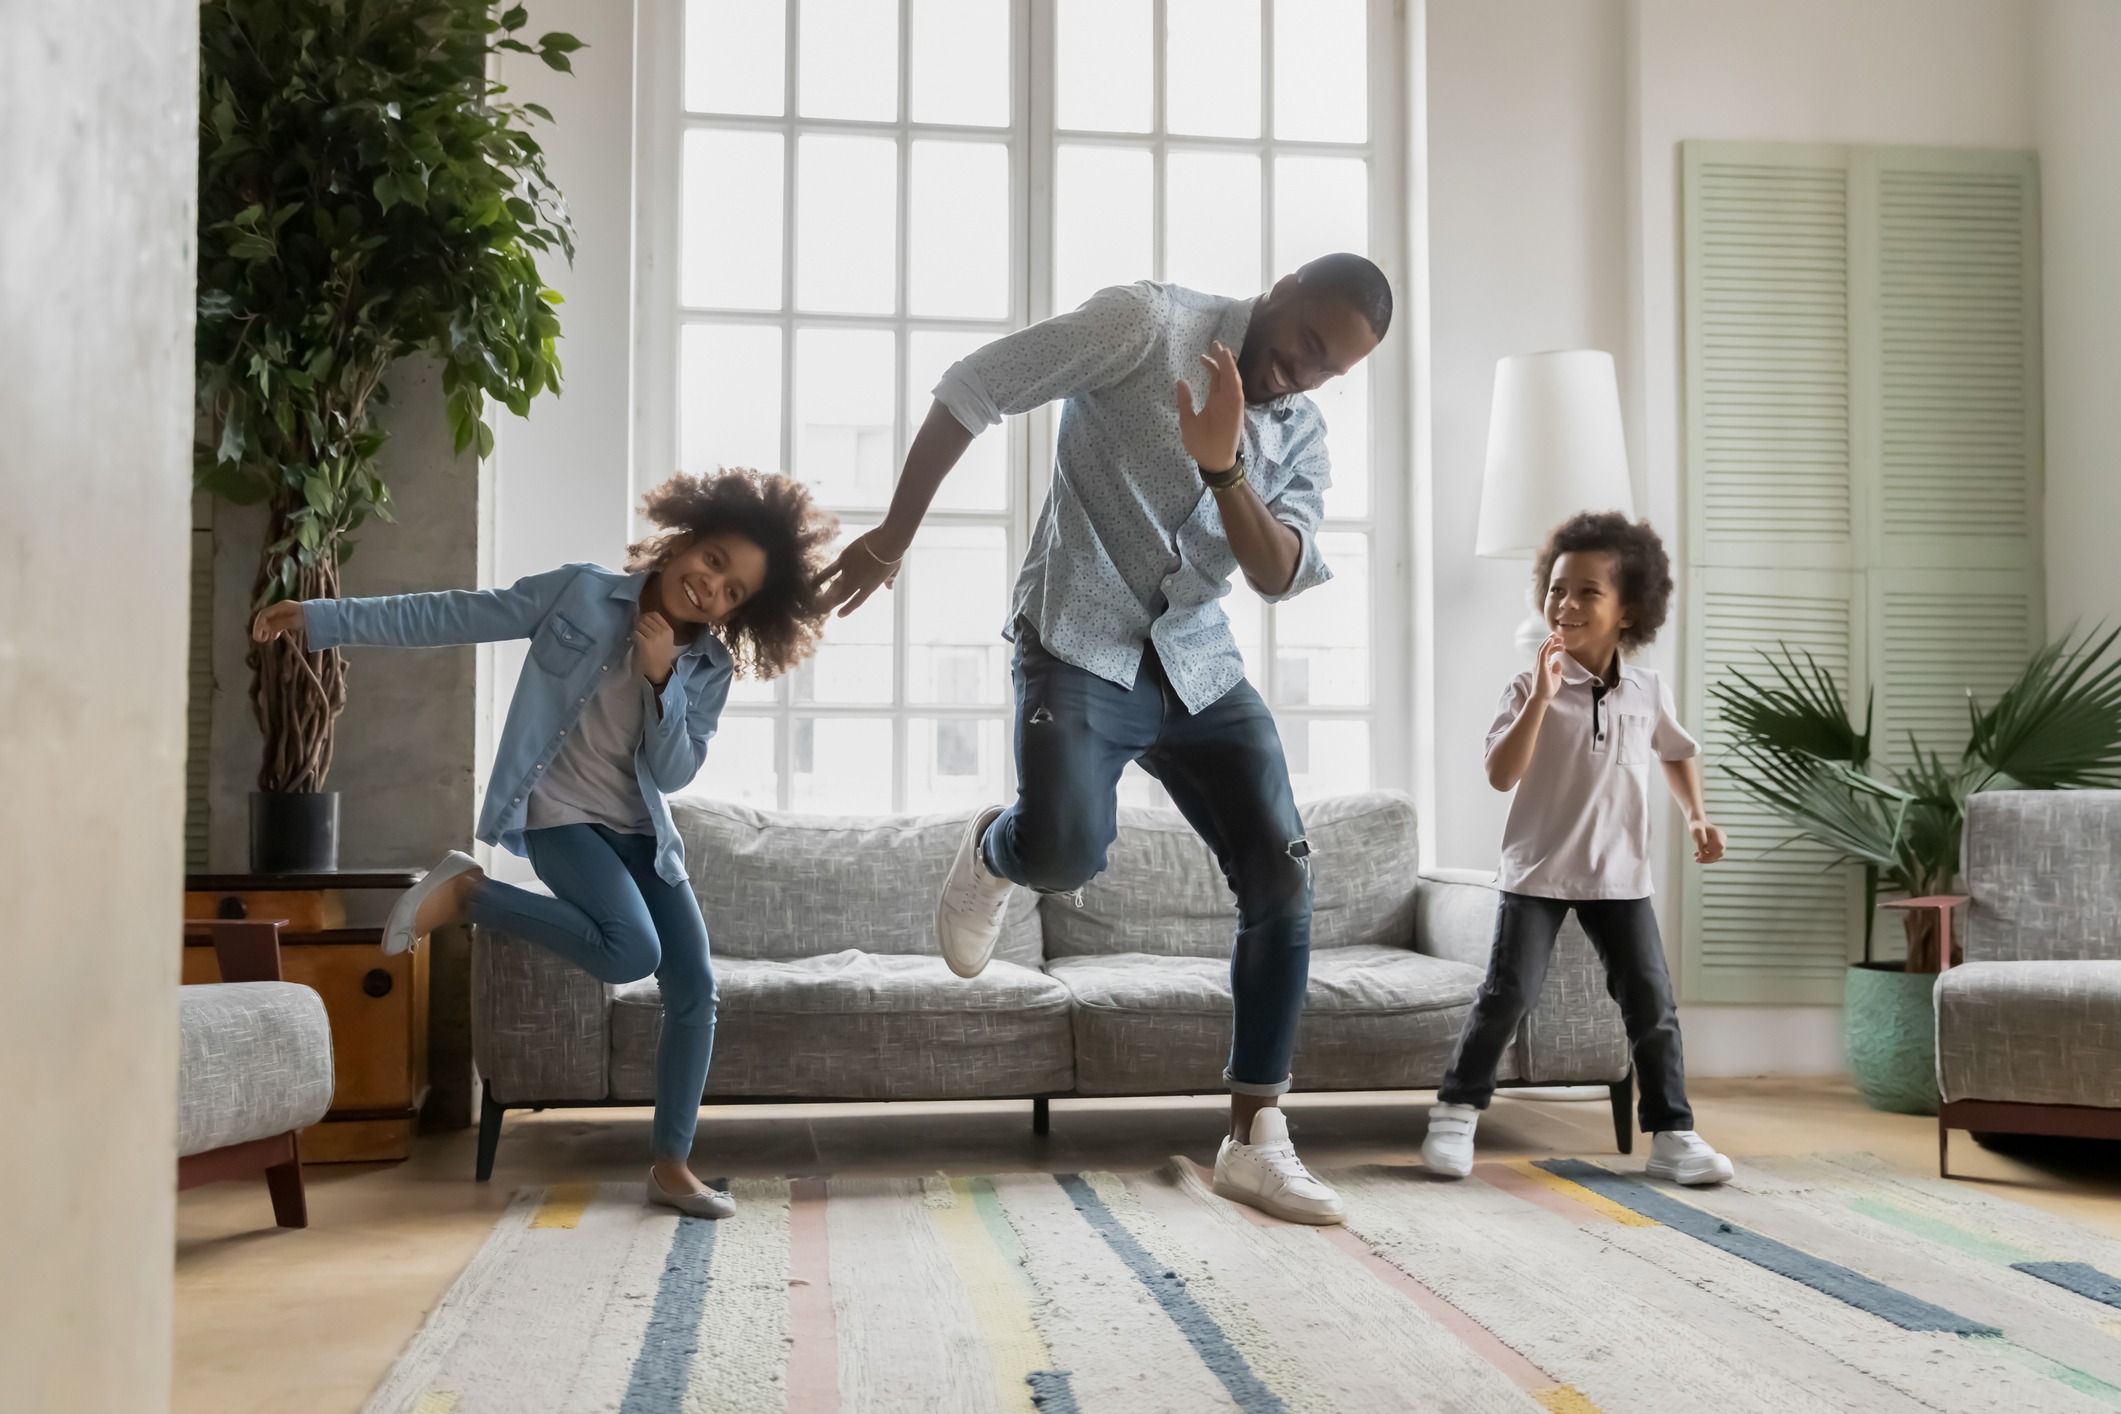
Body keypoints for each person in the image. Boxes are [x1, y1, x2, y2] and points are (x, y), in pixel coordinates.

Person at [816, 253, 1393, 1225]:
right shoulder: (1142, 322)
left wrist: (1227, 467)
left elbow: (1279, 570)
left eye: (1329, 368)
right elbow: (976, 387)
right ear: (1283, 287)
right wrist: (893, 533)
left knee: (1282, 865)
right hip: (1081, 635)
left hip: (1198, 662)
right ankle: (998, 848)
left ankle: (1256, 1135)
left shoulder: (1300, 434)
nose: (1303, 373)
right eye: (1304, 344)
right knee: (1068, 848)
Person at [252, 469, 836, 1218]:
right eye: (714, 562)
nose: (711, 590)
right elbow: (454, 614)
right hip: (557, 816)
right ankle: (471, 894)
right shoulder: (579, 594)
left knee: (695, 988)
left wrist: (663, 682)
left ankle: (670, 1165)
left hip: (643, 835)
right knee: (631, 952)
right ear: (685, 537)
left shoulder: (708, 667)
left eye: (734, 594)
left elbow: (674, 771)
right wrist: (326, 618)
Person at [1420, 512, 1735, 1186]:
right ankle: (1454, 1115)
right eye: (1557, 589)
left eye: (1587, 592)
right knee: (1507, 995)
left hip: (1620, 879)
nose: (1565, 604)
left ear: (1629, 610)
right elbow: (1502, 774)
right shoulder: (1525, 686)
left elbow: (1676, 753)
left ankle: (1673, 1135)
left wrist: (1696, 817)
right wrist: (1539, 694)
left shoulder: (1647, 690)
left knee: (1650, 1007)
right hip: (1536, 874)